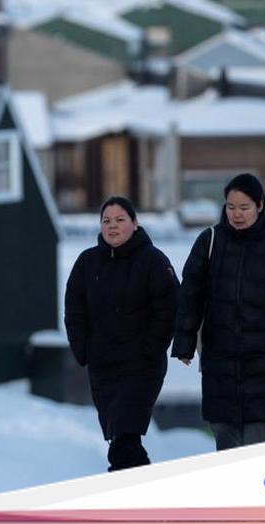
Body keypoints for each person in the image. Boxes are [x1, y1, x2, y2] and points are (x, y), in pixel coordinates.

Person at [171, 173, 265, 451]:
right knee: (227, 452)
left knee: (259, 450)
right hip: (221, 369)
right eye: (231, 207)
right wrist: (184, 344)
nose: (237, 214)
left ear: (260, 205)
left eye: (244, 207)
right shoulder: (210, 242)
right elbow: (190, 295)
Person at [65, 196, 179, 471]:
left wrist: (151, 349)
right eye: (106, 221)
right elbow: (74, 309)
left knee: (124, 440)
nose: (112, 226)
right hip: (103, 368)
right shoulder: (87, 263)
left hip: (141, 368)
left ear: (135, 224)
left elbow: (171, 308)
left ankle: (123, 488)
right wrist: (83, 350)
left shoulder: (153, 261)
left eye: (120, 220)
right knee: (120, 439)